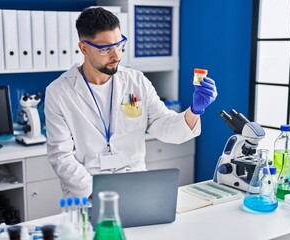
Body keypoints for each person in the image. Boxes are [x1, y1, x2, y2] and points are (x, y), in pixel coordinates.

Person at [45, 7, 217, 198]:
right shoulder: (59, 92)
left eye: (119, 45)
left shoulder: (136, 81)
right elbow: (61, 157)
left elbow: (164, 126)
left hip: (135, 188)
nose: (116, 56)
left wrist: (194, 110)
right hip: (88, 195)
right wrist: (97, 193)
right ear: (84, 48)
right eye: (106, 49)